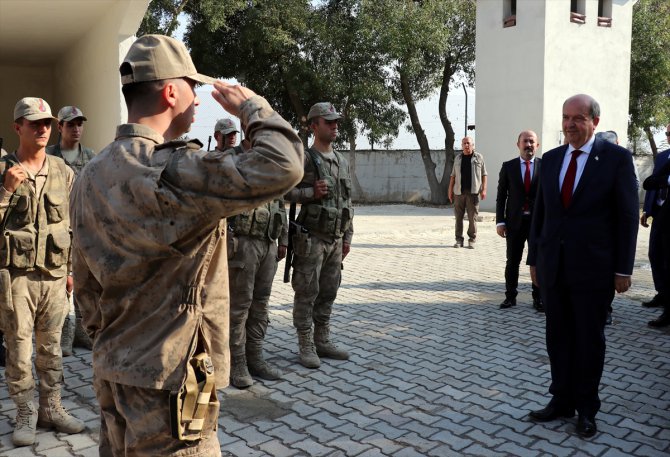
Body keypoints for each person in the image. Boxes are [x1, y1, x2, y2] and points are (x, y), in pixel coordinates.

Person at [70, 34, 303, 456]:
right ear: (171, 91)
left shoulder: (90, 174)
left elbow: (85, 282)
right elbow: (283, 164)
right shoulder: (175, 170)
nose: (199, 101)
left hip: (113, 369)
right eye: (193, 89)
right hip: (169, 381)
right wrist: (252, 106)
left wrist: (113, 340)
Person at [527, 94, 638, 439]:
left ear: (594, 122)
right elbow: (541, 215)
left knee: (589, 340)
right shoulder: (552, 158)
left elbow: (627, 216)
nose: (570, 124)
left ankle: (587, 408)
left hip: (595, 270)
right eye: (565, 118)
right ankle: (561, 399)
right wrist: (533, 261)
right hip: (554, 268)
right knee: (557, 336)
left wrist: (623, 268)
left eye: (578, 118)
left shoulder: (616, 159)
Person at [0, 97, 85, 447]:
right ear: (17, 126)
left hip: (53, 277)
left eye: (47, 123)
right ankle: (25, 412)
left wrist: (71, 271)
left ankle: (52, 408)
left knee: (51, 348)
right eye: (34, 123)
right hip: (16, 279)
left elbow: (73, 225)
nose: (42, 128)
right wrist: (6, 190)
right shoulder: (4, 169)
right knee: (19, 351)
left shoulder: (63, 171)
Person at [284, 102, 353, 369]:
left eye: (336, 121)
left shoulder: (341, 161)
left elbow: (349, 202)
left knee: (328, 291)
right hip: (311, 238)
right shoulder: (304, 158)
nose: (335, 126)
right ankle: (305, 344)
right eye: (329, 122)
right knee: (306, 291)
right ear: (314, 126)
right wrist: (310, 193)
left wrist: (348, 236)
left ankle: (322, 339)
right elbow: (284, 193)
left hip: (335, 240)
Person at [227, 129, 288, 388]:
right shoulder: (231, 159)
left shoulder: (271, 160)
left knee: (261, 304)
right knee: (240, 305)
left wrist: (283, 237)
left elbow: (281, 201)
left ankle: (255, 356)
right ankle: (236, 362)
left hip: (268, 243)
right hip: (242, 243)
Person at [47, 106, 95, 354]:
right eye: (70, 124)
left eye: (79, 124)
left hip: (84, 228)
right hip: (58, 228)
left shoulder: (90, 156)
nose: (76, 129)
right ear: (60, 127)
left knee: (84, 283)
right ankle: (64, 336)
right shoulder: (49, 155)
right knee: (61, 284)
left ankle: (83, 333)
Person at [496, 130, 543, 311]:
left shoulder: (545, 166)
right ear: (518, 144)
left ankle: (538, 298)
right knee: (512, 260)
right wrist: (500, 221)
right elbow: (501, 197)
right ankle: (510, 296)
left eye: (532, 141)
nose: (528, 145)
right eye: (525, 141)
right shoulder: (508, 167)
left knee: (537, 261)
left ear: (537, 145)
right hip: (514, 223)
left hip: (537, 224)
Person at [640, 123, 670, 314]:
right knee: (655, 254)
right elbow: (652, 185)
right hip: (660, 213)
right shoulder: (663, 157)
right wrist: (647, 211)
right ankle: (662, 293)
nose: (669, 136)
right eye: (668, 133)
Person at [448, 137, 487, 249]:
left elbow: (484, 174)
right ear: (461, 145)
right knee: (458, 218)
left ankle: (472, 239)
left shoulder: (479, 158)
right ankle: (459, 240)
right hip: (459, 193)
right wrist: (450, 191)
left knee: (472, 218)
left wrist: (484, 189)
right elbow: (453, 176)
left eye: (468, 143)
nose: (466, 145)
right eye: (464, 143)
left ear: (472, 145)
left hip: (473, 193)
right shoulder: (458, 158)